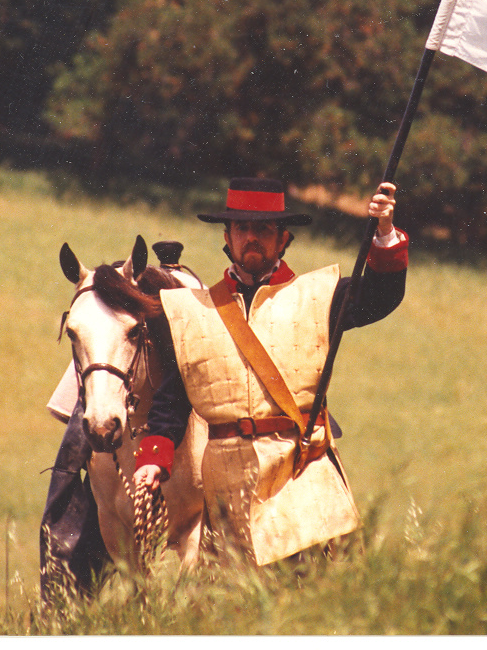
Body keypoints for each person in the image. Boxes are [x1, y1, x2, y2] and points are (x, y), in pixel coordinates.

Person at [132, 176, 407, 566]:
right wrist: (152, 461)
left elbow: (382, 295)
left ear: (283, 239)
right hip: (227, 482)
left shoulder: (321, 296)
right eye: (242, 228)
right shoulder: (192, 312)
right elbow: (172, 401)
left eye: (263, 229)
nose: (252, 238)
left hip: (298, 473)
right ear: (227, 237)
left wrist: (383, 231)